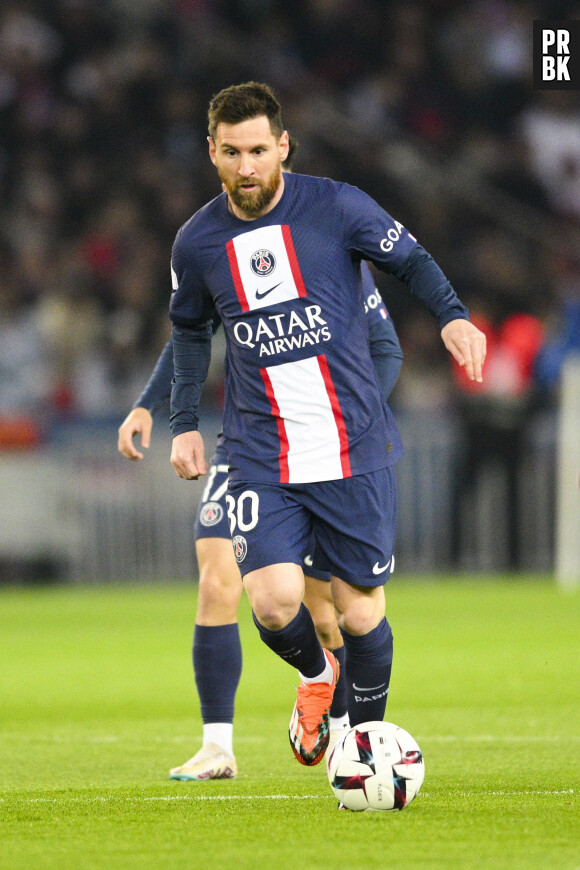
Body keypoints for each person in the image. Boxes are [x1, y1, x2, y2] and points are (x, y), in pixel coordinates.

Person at [169, 82, 486, 771]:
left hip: (351, 447)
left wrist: (453, 314)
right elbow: (190, 332)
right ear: (212, 153)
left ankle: (362, 746)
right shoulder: (196, 243)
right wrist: (183, 422)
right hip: (261, 450)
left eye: (259, 149)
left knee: (362, 615)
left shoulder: (338, 207)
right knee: (275, 601)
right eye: (232, 152)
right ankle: (318, 676)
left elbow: (412, 260)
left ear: (283, 146)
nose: (246, 165)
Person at [118, 140, 404, 781]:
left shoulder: (339, 256)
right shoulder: (221, 248)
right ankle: (218, 743)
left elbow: (384, 351)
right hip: (249, 445)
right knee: (221, 577)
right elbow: (195, 331)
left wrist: (337, 430)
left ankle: (335, 704)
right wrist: (148, 406)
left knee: (330, 611)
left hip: (332, 449)